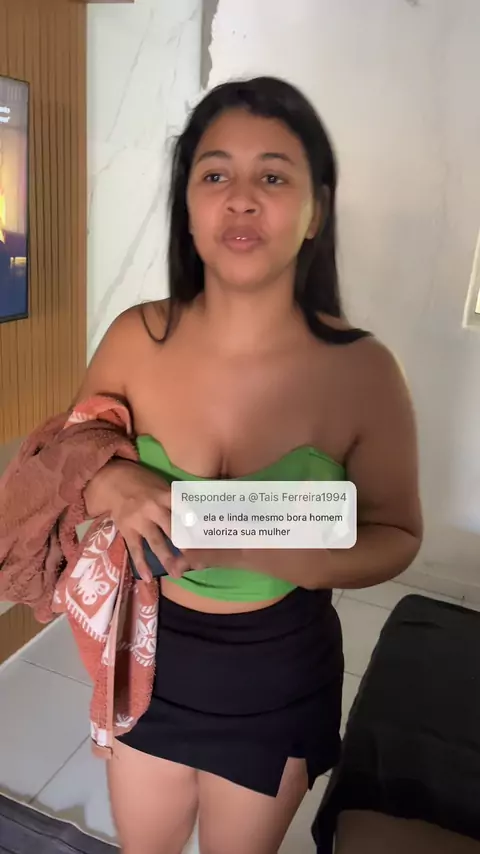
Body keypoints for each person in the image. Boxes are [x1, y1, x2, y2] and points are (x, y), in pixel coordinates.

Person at [76, 77, 423, 854]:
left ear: (315, 210)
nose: (240, 199)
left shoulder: (365, 371)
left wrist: (263, 548)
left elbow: (399, 533)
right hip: (145, 659)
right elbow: (69, 463)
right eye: (214, 174)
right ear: (188, 206)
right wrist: (112, 480)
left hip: (279, 677)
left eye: (272, 175)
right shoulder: (135, 338)